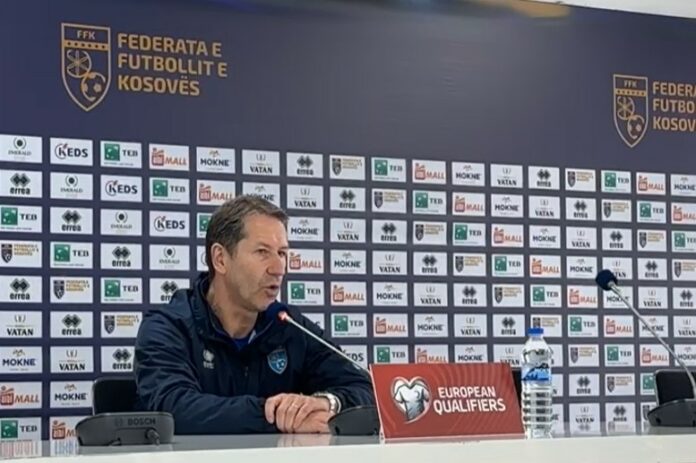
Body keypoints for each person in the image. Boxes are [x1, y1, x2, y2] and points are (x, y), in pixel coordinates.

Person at [134, 195, 375, 434]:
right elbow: (173, 410)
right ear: (220, 259)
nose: (278, 269)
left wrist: (327, 402)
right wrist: (276, 415)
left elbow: (366, 389)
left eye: (282, 253)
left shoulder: (288, 325)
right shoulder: (168, 328)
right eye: (262, 252)